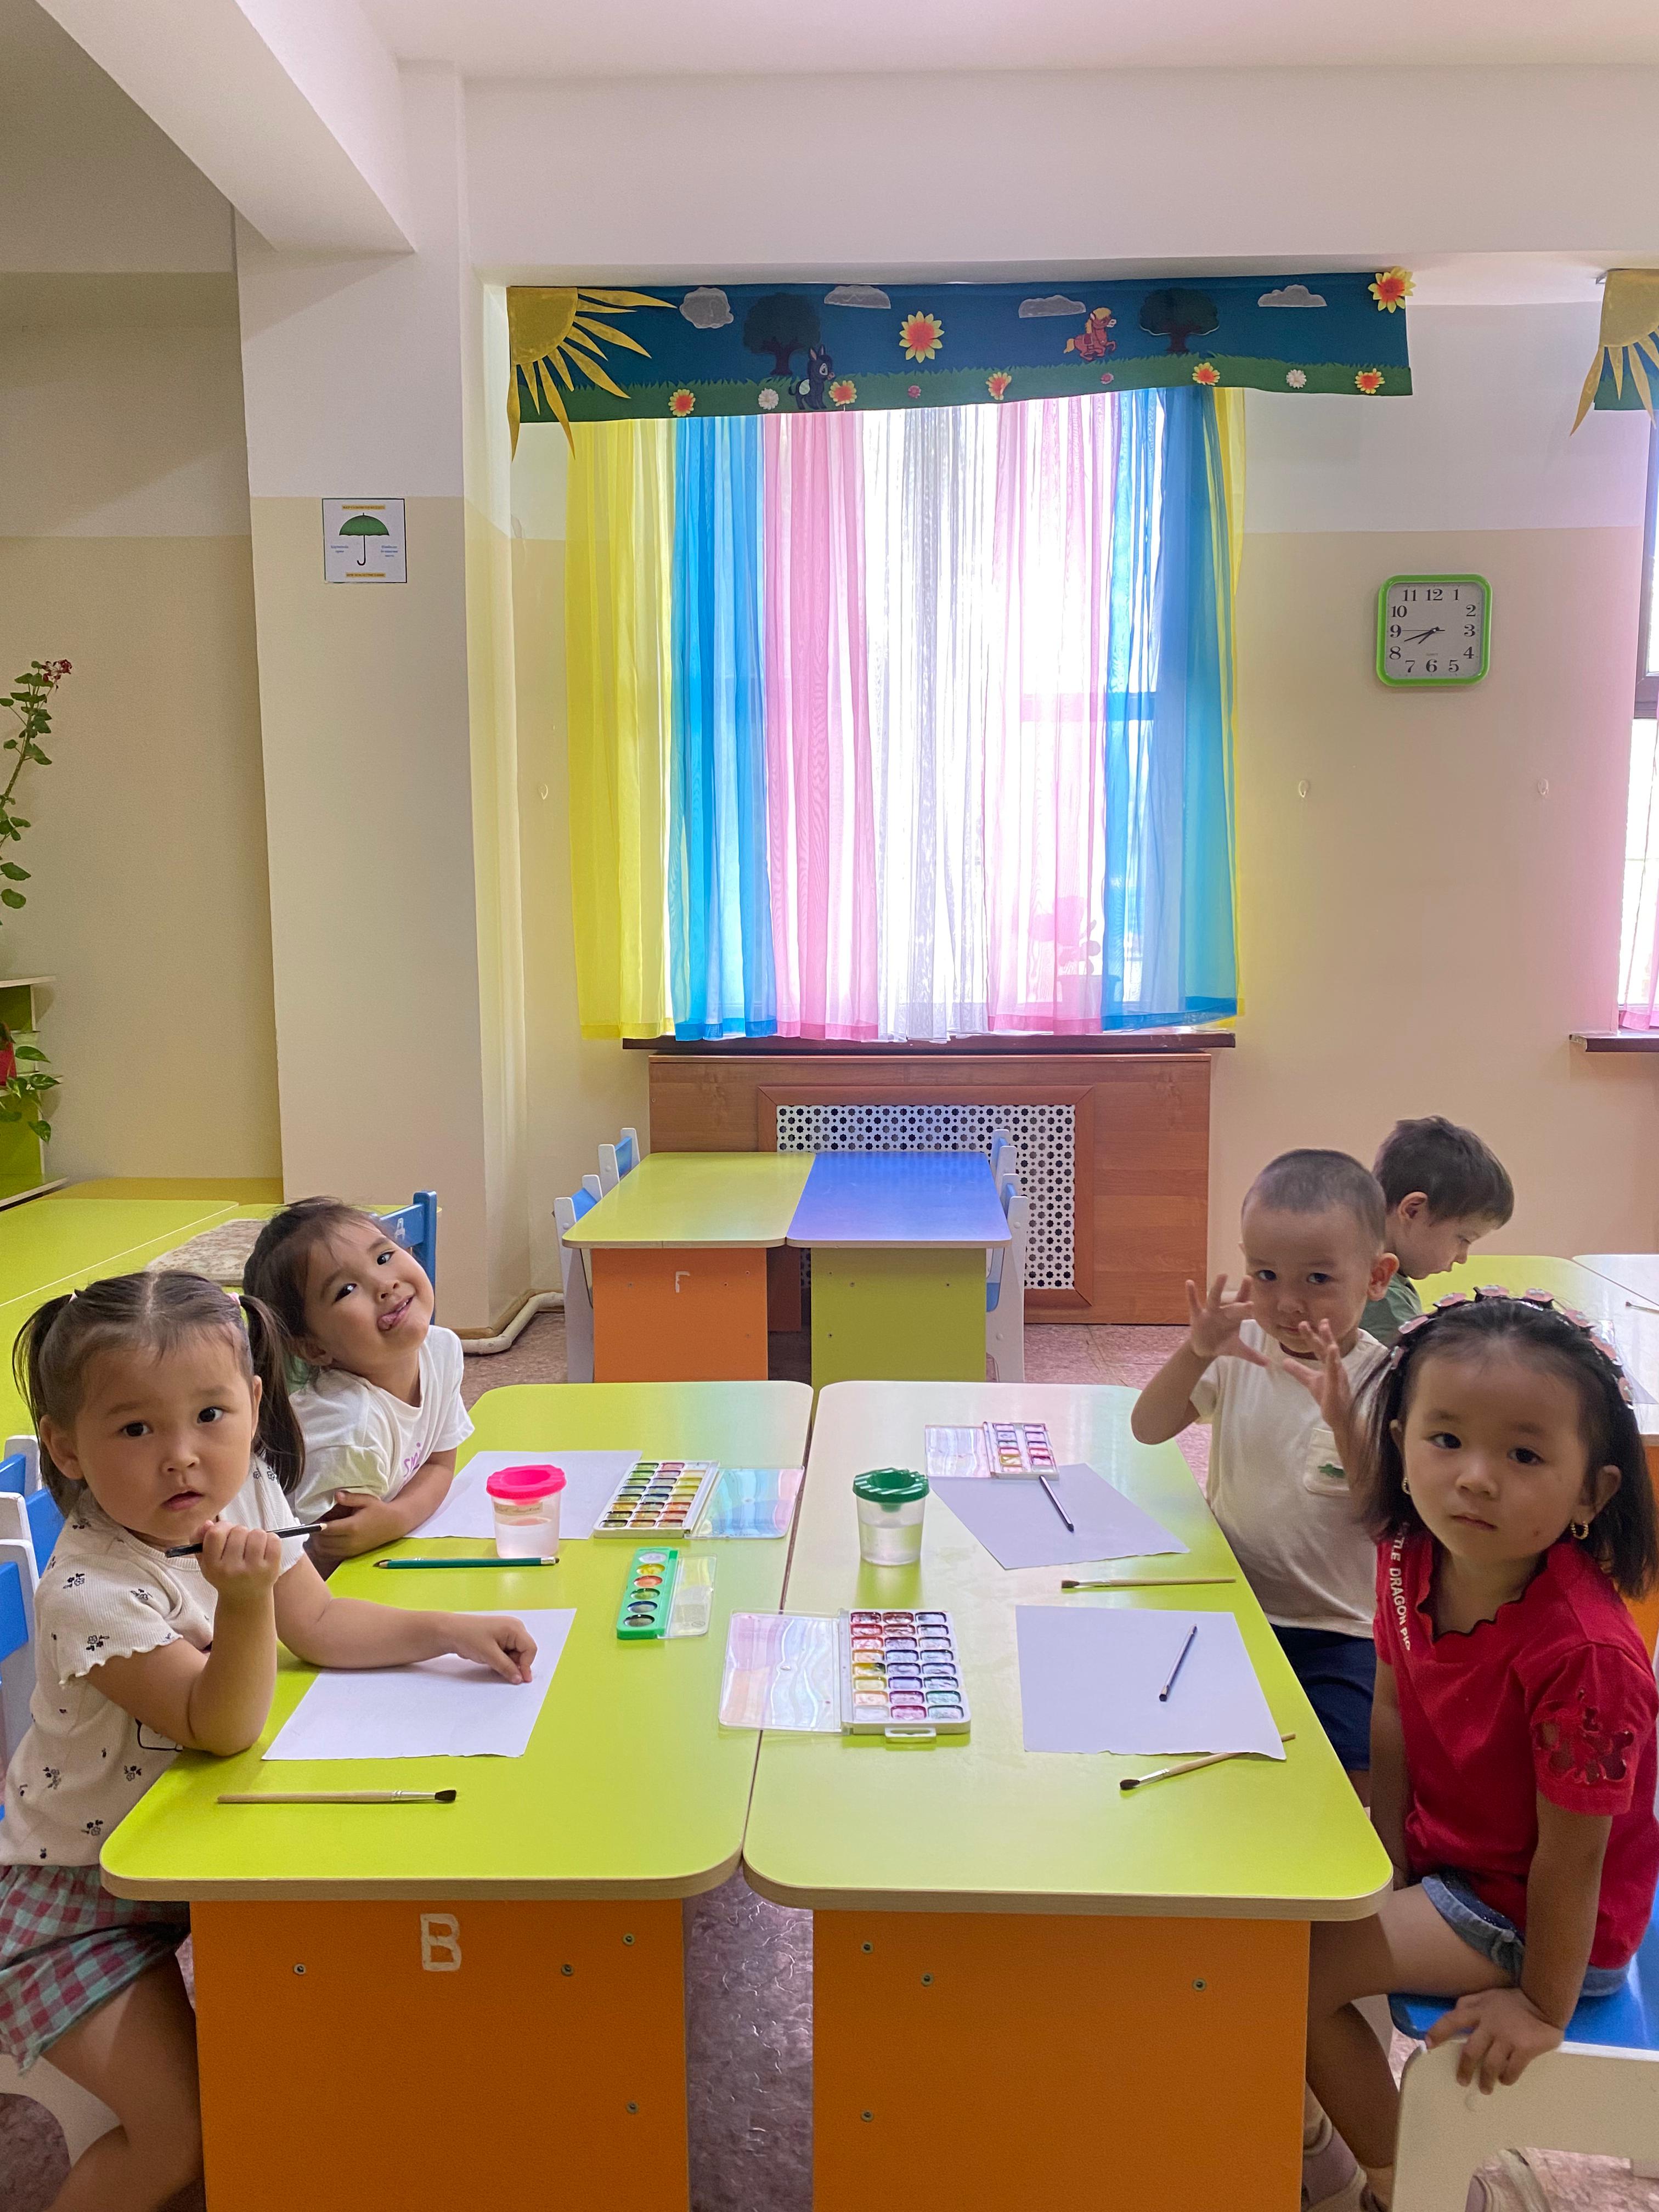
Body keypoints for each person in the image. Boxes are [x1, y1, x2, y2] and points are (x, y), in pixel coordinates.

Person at [0, 1271, 535, 2212]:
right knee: (183, 2138)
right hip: (72, 1911)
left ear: (252, 1403)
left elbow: (318, 1623)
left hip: (185, 1857)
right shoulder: (88, 1592)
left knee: (322, 2019)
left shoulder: (244, 1489)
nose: (182, 1457)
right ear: (67, 1447)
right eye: (136, 1429)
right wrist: (247, 1604)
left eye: (210, 1415)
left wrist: (446, 1631)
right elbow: (220, 1722)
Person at [1300, 1291, 1658, 2212]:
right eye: (1446, 1438)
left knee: (1290, 1974)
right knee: (1271, 1900)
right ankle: (1319, 2147)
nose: (1474, 1478)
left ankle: (1413, 2187)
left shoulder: (1584, 1655)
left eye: (1524, 1455)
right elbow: (1390, 1704)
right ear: (1398, 1443)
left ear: (1592, 1492)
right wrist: (1382, 1852)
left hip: (1537, 1917)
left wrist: (1539, 2004)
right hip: (1458, 1856)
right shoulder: (1405, 1553)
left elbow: (1573, 1859)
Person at [1132, 1149, 1398, 1792]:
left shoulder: (1387, 1381)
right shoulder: (1240, 1352)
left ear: (1377, 1277)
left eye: (1318, 1279)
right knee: (1176, 1736)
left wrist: (1345, 1424)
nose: (1287, 1302)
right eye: (1267, 1274)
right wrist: (1196, 1352)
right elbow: (1147, 1427)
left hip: (1340, 1630)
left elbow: (1385, 1516)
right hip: (1232, 1602)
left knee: (1347, 1771)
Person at [242, 1199, 470, 1567]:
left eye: (384, 1257)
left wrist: (396, 1519)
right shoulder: (349, 1430)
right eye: (346, 1290)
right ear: (314, 1348)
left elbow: (439, 1464)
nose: (385, 1284)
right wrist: (391, 1522)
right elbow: (321, 1566)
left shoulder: (440, 1350)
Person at [1362, 1116, 1514, 1347]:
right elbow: (1412, 1367)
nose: (1462, 1257)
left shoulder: (1379, 1277)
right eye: (1464, 1239)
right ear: (1413, 1211)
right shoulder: (1382, 1298)